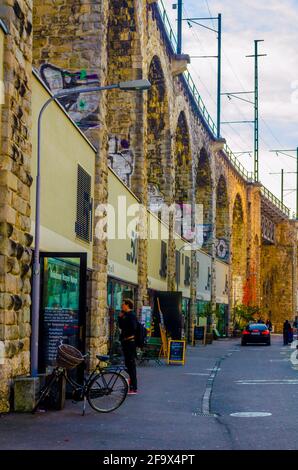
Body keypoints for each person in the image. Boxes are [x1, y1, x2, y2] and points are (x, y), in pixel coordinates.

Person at [118, 298, 138, 395]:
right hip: (126, 342)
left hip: (130, 342)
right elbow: (121, 326)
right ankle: (130, 386)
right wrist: (120, 318)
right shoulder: (125, 315)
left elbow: (133, 328)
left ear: (127, 305)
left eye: (123, 304)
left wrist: (126, 333)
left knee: (131, 365)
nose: (122, 306)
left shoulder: (132, 315)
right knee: (128, 364)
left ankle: (133, 388)